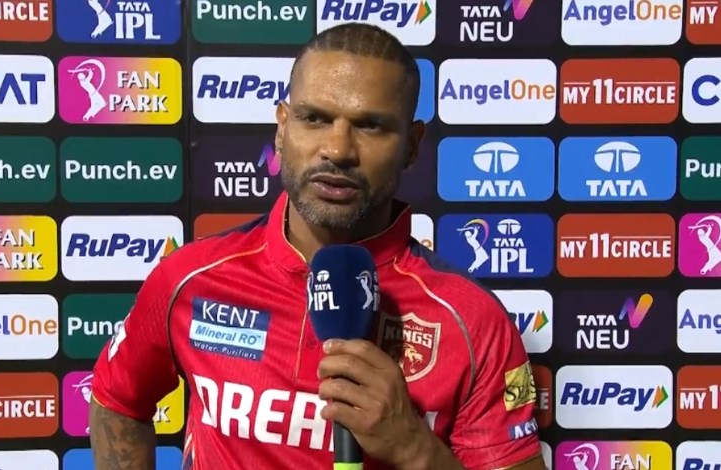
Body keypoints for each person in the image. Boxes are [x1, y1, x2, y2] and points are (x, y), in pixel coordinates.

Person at [88, 22, 546, 470]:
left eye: (371, 126)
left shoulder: (473, 321)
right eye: (314, 118)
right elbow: (117, 401)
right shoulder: (190, 278)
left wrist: (414, 450)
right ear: (282, 127)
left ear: (412, 145)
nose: (338, 149)